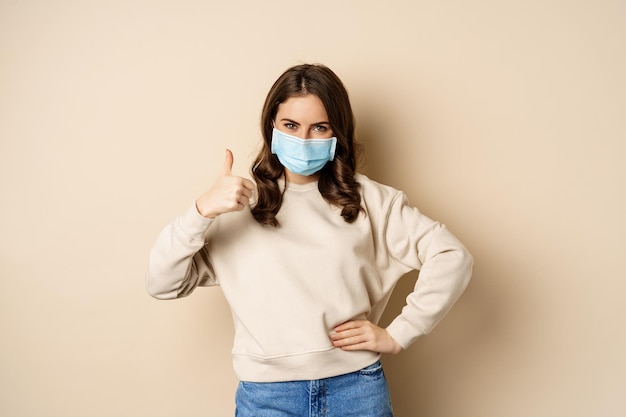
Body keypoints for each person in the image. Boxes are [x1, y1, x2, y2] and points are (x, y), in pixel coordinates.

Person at [146, 63, 473, 417]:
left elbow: (452, 256)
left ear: (338, 134)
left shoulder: (372, 201)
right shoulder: (235, 203)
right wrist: (201, 211)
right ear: (271, 125)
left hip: (356, 390)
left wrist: (400, 332)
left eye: (319, 127)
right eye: (290, 125)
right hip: (266, 398)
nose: (303, 140)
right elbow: (162, 284)